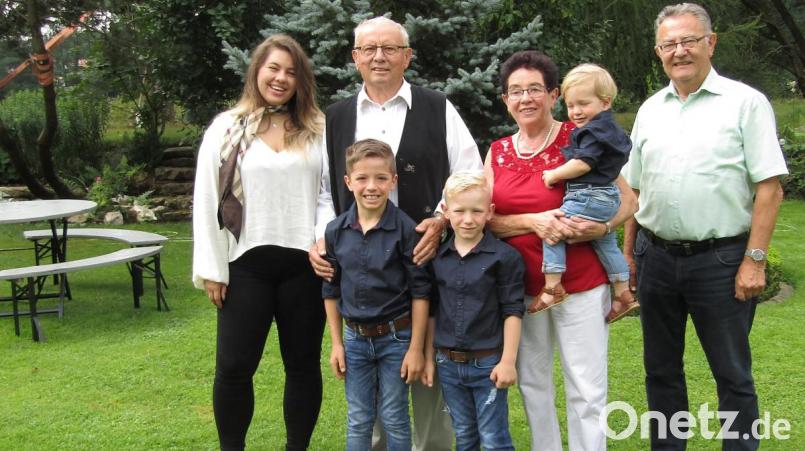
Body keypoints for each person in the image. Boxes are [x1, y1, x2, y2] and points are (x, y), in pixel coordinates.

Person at [308, 16, 483, 451]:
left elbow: (470, 173)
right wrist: (321, 239)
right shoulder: (335, 117)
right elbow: (324, 191)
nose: (379, 57)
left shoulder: (438, 107)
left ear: (407, 56)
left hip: (427, 259)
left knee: (426, 366)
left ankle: (432, 446)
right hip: (362, 267)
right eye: (369, 49)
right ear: (355, 58)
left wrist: (443, 219)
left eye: (390, 48)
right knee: (369, 389)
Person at [622, 3, 787, 449]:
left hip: (722, 260)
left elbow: (770, 190)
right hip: (655, 258)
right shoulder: (650, 110)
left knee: (732, 374)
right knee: (660, 372)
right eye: (669, 44)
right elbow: (633, 194)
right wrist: (627, 258)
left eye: (689, 41)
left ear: (710, 43)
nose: (680, 51)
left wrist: (755, 261)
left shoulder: (745, 103)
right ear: (658, 52)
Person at [483, 50, 637, 451]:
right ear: (505, 100)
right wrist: (532, 222)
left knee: (586, 386)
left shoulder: (581, 136)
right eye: (515, 91)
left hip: (581, 283)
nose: (526, 98)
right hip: (523, 288)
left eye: (535, 88)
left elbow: (628, 201)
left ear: (553, 95)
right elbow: (485, 220)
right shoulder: (497, 152)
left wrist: (601, 227)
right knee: (533, 383)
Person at [192, 35, 334, 450]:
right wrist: (212, 270)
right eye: (273, 68)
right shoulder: (226, 128)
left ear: (301, 79)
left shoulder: (318, 129)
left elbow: (328, 194)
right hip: (245, 264)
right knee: (234, 367)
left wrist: (323, 241)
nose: (281, 78)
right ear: (257, 70)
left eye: (291, 72)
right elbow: (206, 200)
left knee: (303, 365)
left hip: (304, 265)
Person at [322, 139, 430, 451]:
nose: (372, 186)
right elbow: (330, 289)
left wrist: (415, 349)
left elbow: (421, 293)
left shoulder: (406, 230)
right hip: (354, 341)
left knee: (394, 415)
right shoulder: (336, 231)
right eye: (362, 178)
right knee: (359, 417)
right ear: (348, 182)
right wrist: (337, 344)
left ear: (393, 180)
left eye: (381, 178)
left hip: (396, 339)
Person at [423, 171, 525, 451]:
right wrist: (430, 359)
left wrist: (508, 361)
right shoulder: (438, 258)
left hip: (488, 364)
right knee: (464, 434)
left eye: (477, 211)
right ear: (445, 211)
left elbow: (513, 311)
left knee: (494, 439)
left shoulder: (504, 258)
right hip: (448, 363)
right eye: (459, 211)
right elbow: (432, 311)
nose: (468, 219)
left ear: (490, 212)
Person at [538, 63, 640, 323]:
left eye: (583, 104)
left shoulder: (593, 132)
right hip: (606, 197)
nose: (576, 112)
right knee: (606, 243)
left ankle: (552, 287)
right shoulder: (610, 129)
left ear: (605, 103)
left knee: (553, 229)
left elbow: (584, 163)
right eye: (571, 105)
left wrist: (554, 174)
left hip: (589, 195)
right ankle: (623, 293)